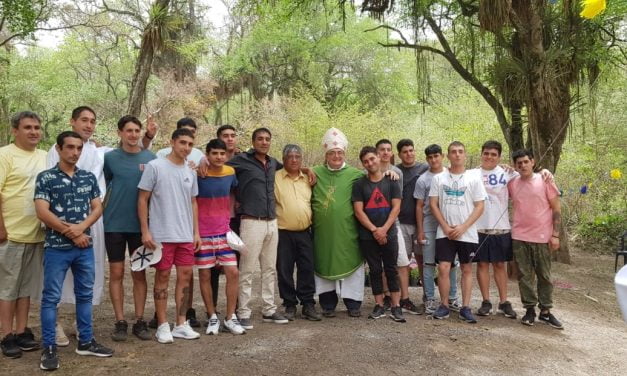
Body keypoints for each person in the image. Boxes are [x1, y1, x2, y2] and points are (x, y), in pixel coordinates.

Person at [46, 106, 156, 344]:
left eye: (92, 121)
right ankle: (57, 324)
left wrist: (148, 137)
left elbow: (143, 155)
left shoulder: (99, 152)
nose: (88, 125)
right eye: (84, 120)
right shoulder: (96, 154)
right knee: (58, 276)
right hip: (92, 223)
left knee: (91, 274)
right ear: (72, 121)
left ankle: (96, 321)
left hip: (100, 222)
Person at [35, 131, 114, 370]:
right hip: (57, 248)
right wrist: (71, 232)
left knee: (85, 294)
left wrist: (81, 229)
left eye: (78, 148)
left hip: (84, 248)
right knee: (50, 298)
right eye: (69, 147)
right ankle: (48, 347)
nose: (75, 152)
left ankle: (86, 341)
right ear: (59, 149)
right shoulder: (46, 178)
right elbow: (42, 211)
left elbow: (97, 208)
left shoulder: (88, 178)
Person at [138, 128, 201, 343]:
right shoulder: (155, 166)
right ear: (172, 142)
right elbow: (142, 199)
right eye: (182, 142)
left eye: (190, 144)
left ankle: (181, 323)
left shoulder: (190, 171)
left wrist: (196, 232)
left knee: (185, 279)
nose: (186, 148)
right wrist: (145, 230)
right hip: (162, 234)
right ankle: (163, 324)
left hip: (184, 235)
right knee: (162, 278)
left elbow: (193, 201)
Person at [227, 128, 289, 329]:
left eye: (267, 139)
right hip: (251, 221)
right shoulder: (241, 160)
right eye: (260, 139)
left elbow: (290, 167)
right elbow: (219, 166)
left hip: (272, 221)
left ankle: (269, 309)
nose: (264, 142)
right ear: (253, 141)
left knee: (270, 268)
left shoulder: (273, 163)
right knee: (247, 268)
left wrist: (306, 170)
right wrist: (202, 163)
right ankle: (243, 311)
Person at [103, 116, 156, 342]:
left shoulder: (150, 159)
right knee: (116, 273)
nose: (133, 135)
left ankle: (140, 320)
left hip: (140, 227)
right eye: (129, 131)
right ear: (120, 133)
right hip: (113, 224)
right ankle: (120, 322)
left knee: (139, 273)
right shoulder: (109, 158)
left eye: (136, 130)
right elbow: (101, 187)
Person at [0, 111, 46, 358]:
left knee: (26, 287)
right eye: (28, 127)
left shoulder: (45, 156)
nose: (33, 132)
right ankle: (6, 335)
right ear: (15, 130)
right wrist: (1, 228)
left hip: (36, 234)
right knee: (8, 287)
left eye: (37, 127)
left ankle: (21, 330)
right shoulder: (4, 155)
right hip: (11, 233)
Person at [429, 141, 486, 323]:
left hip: (467, 232)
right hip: (444, 231)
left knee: (467, 268)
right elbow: (433, 204)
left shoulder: (474, 179)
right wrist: (445, 226)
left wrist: (463, 227)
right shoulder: (439, 179)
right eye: (453, 152)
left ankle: (466, 307)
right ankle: (444, 305)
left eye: (461, 151)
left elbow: (479, 206)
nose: (457, 155)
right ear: (448, 155)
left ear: (465, 154)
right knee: (444, 267)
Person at [312, 128, 365, 317]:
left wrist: (392, 173)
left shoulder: (356, 174)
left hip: (348, 230)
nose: (336, 156)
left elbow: (376, 178)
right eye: (332, 153)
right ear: (326, 155)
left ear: (344, 154)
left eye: (340, 153)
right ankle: (328, 304)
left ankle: (353, 303)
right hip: (322, 231)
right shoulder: (314, 173)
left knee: (351, 261)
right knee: (323, 262)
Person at [508, 149, 563, 329]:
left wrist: (555, 235)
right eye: (519, 163)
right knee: (524, 275)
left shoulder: (545, 180)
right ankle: (529, 309)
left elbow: (556, 209)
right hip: (519, 236)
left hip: (542, 236)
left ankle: (546, 311)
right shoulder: (513, 182)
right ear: (515, 165)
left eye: (526, 161)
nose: (523, 165)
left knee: (544, 275)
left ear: (533, 161)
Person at [195, 139, 245, 335]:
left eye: (222, 154)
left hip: (224, 231)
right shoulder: (199, 174)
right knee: (205, 274)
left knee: (233, 272)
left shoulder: (230, 173)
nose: (218, 157)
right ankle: (212, 316)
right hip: (203, 232)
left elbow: (233, 192)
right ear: (207, 155)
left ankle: (231, 317)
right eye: (214, 153)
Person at [353, 146, 405, 322]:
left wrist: (384, 229)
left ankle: (396, 306)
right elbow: (359, 211)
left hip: (389, 233)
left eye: (372, 159)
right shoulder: (359, 184)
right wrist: (374, 230)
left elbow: (396, 206)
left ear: (378, 158)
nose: (370, 163)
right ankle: (379, 305)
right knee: (375, 270)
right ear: (363, 164)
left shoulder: (392, 181)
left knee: (391, 269)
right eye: (365, 161)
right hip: (368, 235)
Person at [275, 144, 321, 321]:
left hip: (304, 231)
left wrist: (307, 170)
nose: (294, 160)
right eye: (290, 157)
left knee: (307, 268)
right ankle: (289, 304)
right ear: (284, 158)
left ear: (301, 159)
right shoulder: (275, 177)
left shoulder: (308, 178)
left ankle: (308, 304)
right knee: (284, 269)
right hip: (282, 232)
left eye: (297, 157)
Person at [472, 141, 518, 318]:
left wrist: (545, 173)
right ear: (481, 154)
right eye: (486, 153)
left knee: (500, 265)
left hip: (501, 227)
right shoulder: (472, 173)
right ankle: (485, 301)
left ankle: (504, 302)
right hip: (479, 227)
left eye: (493, 154)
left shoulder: (507, 173)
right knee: (482, 264)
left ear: (499, 157)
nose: (489, 157)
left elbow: (529, 176)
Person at [414, 144, 460, 315]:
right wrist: (420, 230)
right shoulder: (423, 179)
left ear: (442, 156)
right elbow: (419, 206)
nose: (434, 160)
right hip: (430, 225)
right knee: (428, 264)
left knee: (451, 263)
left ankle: (452, 297)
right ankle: (429, 298)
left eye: (436, 156)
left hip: (449, 225)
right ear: (427, 159)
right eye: (430, 157)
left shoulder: (452, 175)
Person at [395, 139, 429, 313]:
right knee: (403, 261)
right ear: (399, 154)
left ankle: (428, 296)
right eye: (405, 151)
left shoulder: (425, 168)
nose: (409, 154)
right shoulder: (395, 171)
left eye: (411, 150)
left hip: (422, 223)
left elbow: (450, 171)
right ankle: (404, 298)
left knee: (423, 260)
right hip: (401, 222)